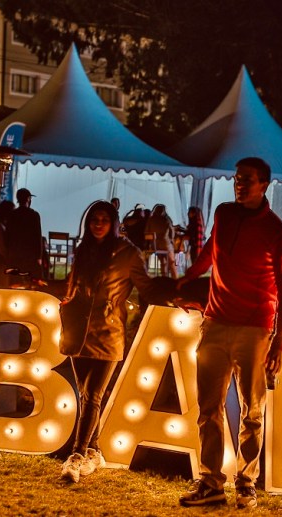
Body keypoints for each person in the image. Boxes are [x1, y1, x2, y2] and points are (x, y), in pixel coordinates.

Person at [177, 157, 282, 509]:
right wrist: (189, 277)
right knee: (208, 408)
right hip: (215, 323)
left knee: (252, 411)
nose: (240, 184)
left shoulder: (279, 234)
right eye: (237, 178)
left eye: (247, 179)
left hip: (254, 330)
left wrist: (279, 341)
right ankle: (210, 482)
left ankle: (246, 483)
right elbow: (210, 250)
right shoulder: (224, 214)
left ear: (264, 184)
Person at [58, 200, 170, 483]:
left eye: (104, 220)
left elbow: (146, 287)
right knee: (85, 395)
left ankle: (76, 456)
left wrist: (174, 298)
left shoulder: (128, 253)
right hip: (77, 330)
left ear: (114, 223)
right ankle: (94, 450)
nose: (98, 224)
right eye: (94, 219)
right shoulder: (83, 249)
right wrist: (40, 286)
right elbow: (70, 285)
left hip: (108, 332)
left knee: (94, 395)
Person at [3, 188, 44, 279]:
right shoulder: (34, 215)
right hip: (30, 256)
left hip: (14, 255)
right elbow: (38, 237)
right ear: (28, 199)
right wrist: (39, 256)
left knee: (14, 280)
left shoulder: (12, 215)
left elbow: (7, 237)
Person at [144, 204, 176, 278]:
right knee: (172, 262)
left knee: (162, 261)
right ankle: (175, 279)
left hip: (154, 246)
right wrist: (171, 240)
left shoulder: (151, 220)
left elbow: (146, 233)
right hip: (165, 245)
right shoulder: (166, 220)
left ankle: (164, 277)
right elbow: (172, 234)